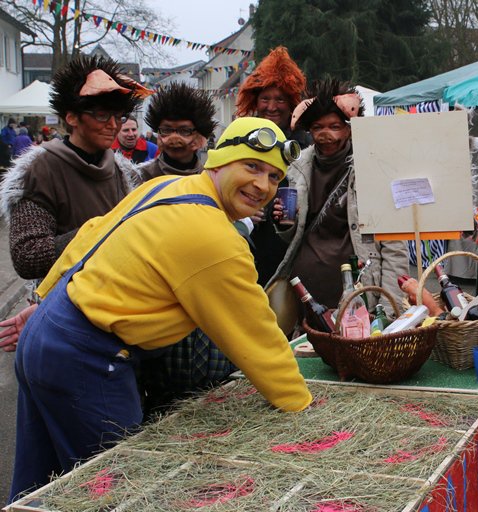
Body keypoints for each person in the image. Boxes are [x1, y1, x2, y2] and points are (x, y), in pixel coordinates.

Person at [9, 117, 311, 500]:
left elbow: (93, 234)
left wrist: (45, 300)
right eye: (251, 166)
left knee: (39, 486)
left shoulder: (169, 185)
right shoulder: (214, 236)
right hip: (88, 361)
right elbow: (258, 335)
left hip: (49, 332)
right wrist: (301, 407)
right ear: (218, 162)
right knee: (119, 494)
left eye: (273, 176)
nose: (262, 185)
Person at [133, 82, 237, 415]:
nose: (175, 138)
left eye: (184, 130)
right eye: (166, 130)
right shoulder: (138, 179)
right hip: (158, 300)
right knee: (161, 394)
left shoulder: (217, 180)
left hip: (208, 300)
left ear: (200, 137)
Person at [268, 78, 409, 320]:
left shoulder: (374, 167)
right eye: (317, 127)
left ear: (350, 127)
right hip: (306, 295)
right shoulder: (298, 166)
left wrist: (389, 310)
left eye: (334, 126)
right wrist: (284, 225)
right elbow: (297, 236)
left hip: (358, 294)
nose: (325, 135)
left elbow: (394, 247)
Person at [0, 55, 142, 283]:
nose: (114, 125)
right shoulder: (40, 170)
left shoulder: (123, 172)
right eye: (102, 115)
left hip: (116, 296)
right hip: (63, 304)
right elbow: (27, 256)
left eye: (118, 116)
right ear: (72, 117)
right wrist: (102, 230)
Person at [235, 46, 311, 286]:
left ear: (292, 104)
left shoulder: (304, 143)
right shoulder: (242, 138)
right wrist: (239, 208)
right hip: (245, 245)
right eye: (265, 99)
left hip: (288, 249)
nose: (272, 106)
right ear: (255, 101)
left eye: (280, 99)